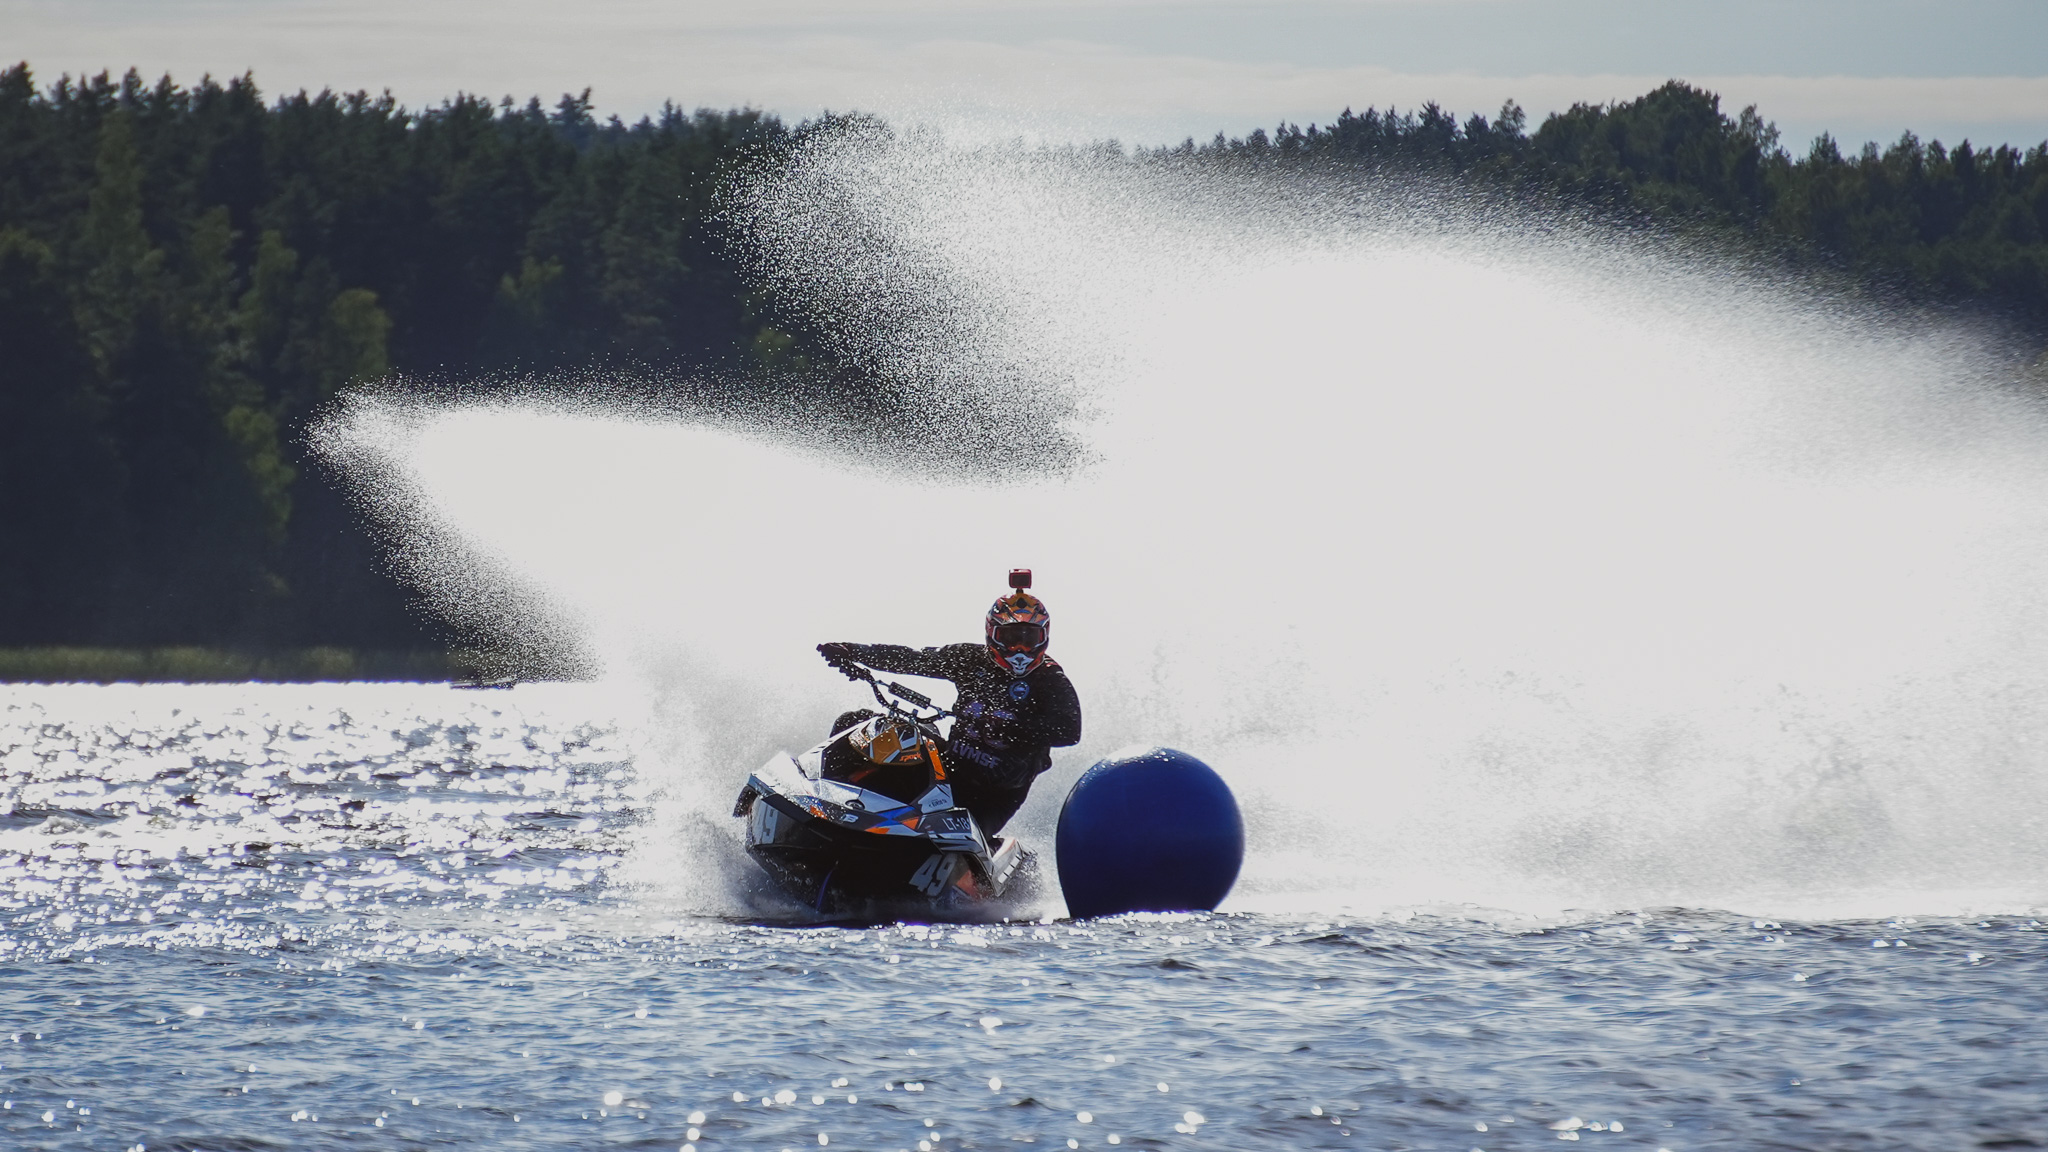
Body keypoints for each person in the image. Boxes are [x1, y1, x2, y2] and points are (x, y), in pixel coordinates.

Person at [817, 573, 1082, 834]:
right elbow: (913, 659)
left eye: (1030, 638)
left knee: (958, 839)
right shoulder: (970, 659)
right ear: (992, 633)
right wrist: (852, 652)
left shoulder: (1050, 679)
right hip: (946, 768)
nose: (1020, 649)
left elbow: (1070, 729)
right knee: (857, 724)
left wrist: (1011, 729)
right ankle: (821, 805)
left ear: (1044, 636)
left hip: (993, 796)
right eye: (1011, 639)